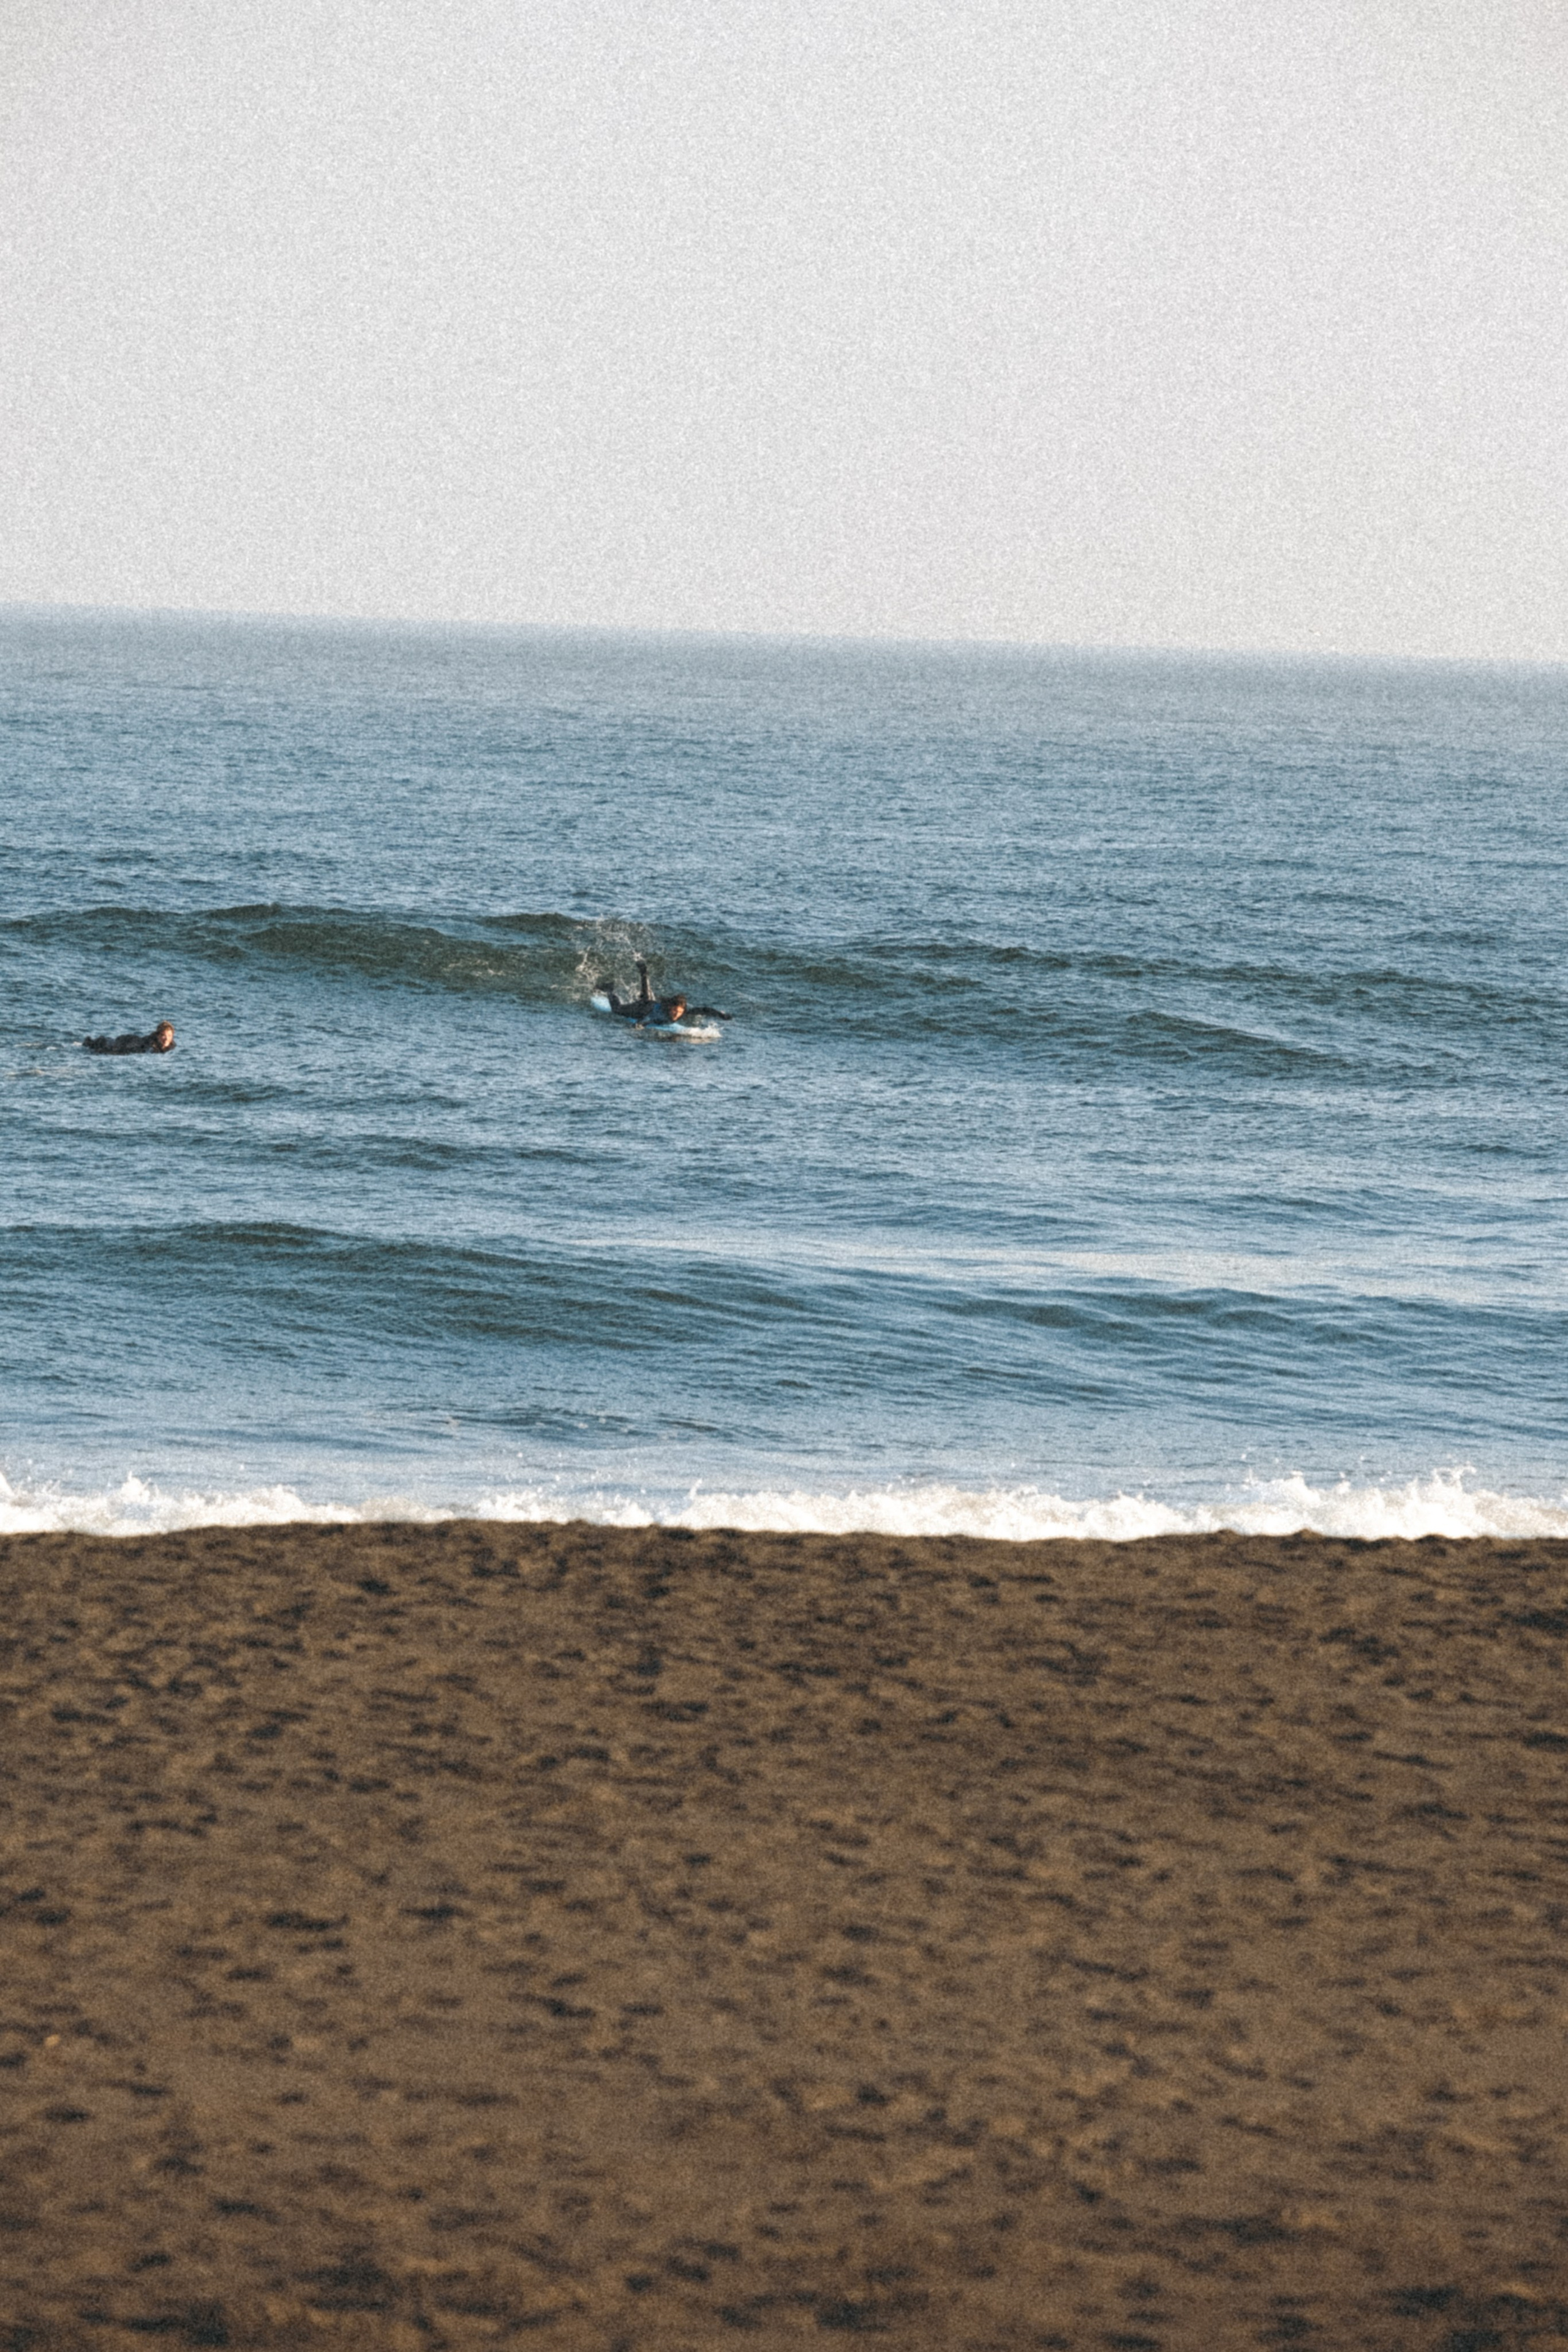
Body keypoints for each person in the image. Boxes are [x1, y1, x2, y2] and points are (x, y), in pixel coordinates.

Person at [594, 961, 726, 1025]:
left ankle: (644, 972)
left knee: (647, 996)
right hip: (643, 1009)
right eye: (674, 1011)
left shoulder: (683, 1011)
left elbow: (703, 1010)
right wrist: (639, 1025)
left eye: (679, 1012)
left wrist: (720, 1015)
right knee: (617, 1010)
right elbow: (649, 1019)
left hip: (651, 1004)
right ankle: (609, 989)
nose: (676, 1015)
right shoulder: (661, 1014)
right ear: (670, 1008)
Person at [84, 1020, 176, 1055]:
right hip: (130, 1042)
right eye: (164, 1035)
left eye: (169, 1036)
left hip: (133, 1042)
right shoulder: (151, 1046)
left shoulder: (171, 1048)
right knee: (108, 1045)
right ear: (158, 1036)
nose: (166, 1039)